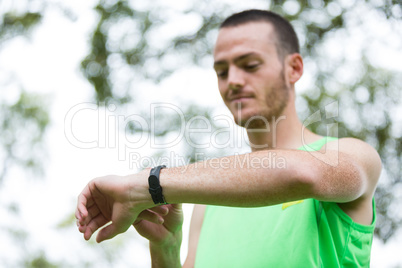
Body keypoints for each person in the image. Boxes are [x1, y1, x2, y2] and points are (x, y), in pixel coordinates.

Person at [76, 9, 381, 267]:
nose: (233, 81)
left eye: (250, 65)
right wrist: (166, 251)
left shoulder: (351, 156)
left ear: (294, 68)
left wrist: (149, 185)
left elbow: (304, 173)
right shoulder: (208, 206)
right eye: (222, 72)